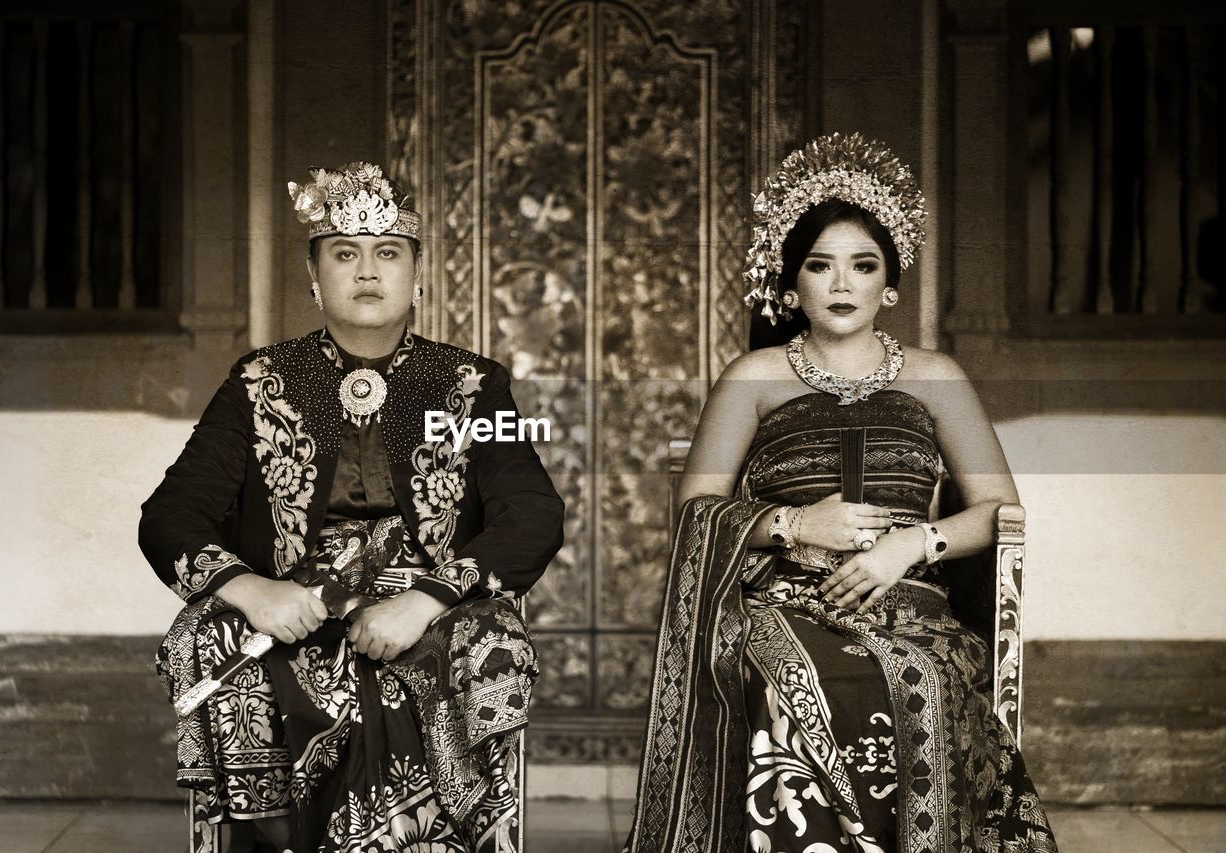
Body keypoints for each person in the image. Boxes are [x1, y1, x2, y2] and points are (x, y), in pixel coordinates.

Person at [625, 133, 1057, 853]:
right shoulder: (753, 376)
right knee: (798, 676)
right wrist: (794, 524)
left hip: (911, 603)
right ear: (792, 285)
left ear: (890, 285)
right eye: (820, 266)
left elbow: (999, 512)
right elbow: (695, 510)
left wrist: (911, 545)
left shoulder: (935, 375)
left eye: (864, 266)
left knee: (918, 674)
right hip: (786, 602)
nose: (841, 283)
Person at [141, 161, 564, 852]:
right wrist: (253, 590)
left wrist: (428, 597)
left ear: (417, 275)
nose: (367, 270)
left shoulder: (468, 386)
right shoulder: (259, 384)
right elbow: (170, 513)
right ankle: (269, 836)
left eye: (387, 252)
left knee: (483, 646)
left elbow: (534, 512)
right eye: (345, 253)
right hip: (295, 605)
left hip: (429, 608)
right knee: (205, 631)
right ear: (314, 277)